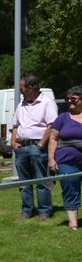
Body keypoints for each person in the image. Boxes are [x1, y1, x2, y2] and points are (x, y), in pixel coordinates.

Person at [11, 75, 58, 220]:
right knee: (24, 183)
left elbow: (51, 126)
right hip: (21, 148)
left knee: (42, 182)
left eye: (22, 89)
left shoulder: (47, 103)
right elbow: (15, 125)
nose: (20, 91)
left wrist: (40, 145)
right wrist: (13, 143)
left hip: (37, 147)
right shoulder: (21, 105)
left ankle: (44, 212)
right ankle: (27, 211)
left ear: (31, 88)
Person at [48, 86, 82, 230]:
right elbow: (53, 139)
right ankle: (73, 222)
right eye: (67, 99)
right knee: (70, 186)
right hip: (67, 160)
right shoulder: (62, 118)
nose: (69, 101)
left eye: (73, 98)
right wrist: (51, 159)